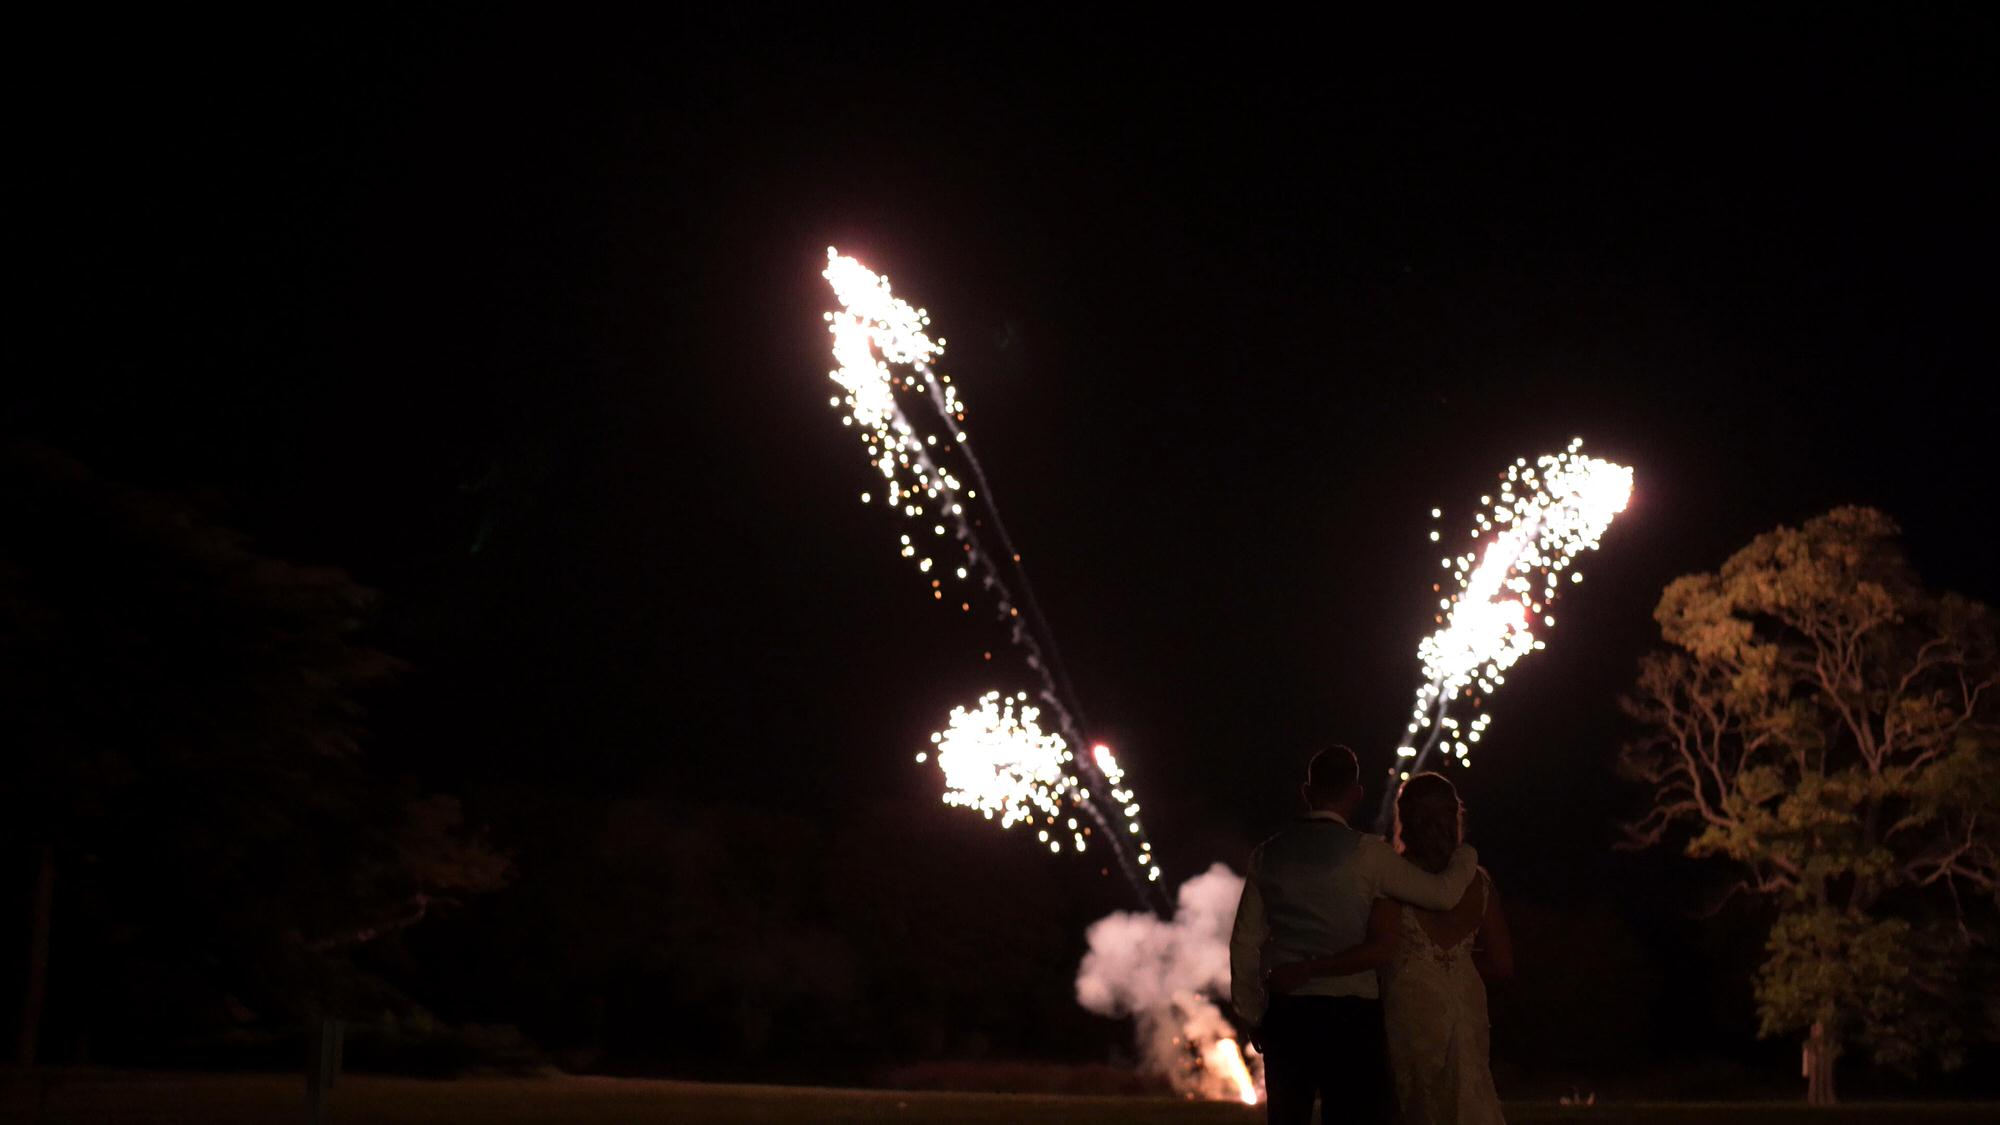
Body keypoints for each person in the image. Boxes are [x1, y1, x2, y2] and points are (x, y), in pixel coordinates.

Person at [1229, 748, 1482, 1125]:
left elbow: (1244, 943)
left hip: (1287, 1011)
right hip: (1352, 1016)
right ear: (1357, 793)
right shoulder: (1371, 856)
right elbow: (1442, 895)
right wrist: (1466, 856)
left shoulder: (1268, 854)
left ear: (1306, 791)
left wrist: (1252, 1013)